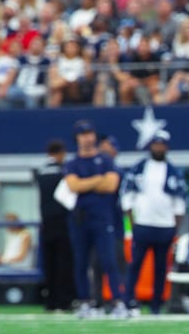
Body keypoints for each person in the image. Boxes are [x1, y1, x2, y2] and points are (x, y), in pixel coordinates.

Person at [63, 120, 127, 318]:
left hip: (103, 218)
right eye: (83, 134)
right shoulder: (72, 163)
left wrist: (86, 184)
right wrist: (98, 180)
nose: (87, 138)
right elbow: (72, 186)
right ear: (77, 138)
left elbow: (110, 186)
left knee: (109, 261)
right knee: (81, 262)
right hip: (80, 219)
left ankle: (117, 302)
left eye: (90, 133)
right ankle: (84, 302)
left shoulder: (106, 160)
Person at [121, 130, 187, 316]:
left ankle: (156, 304)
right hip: (143, 224)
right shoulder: (139, 168)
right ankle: (128, 300)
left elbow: (180, 202)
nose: (159, 147)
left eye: (162, 144)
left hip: (165, 226)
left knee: (160, 268)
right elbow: (128, 196)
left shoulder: (173, 171)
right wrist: (132, 222)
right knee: (135, 265)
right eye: (156, 144)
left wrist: (175, 226)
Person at [35, 139, 76, 311]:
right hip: (63, 222)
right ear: (60, 153)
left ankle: (49, 301)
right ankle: (64, 301)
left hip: (45, 223)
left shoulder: (40, 171)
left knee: (49, 263)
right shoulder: (64, 170)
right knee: (64, 263)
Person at [90, 134, 126, 314]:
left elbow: (112, 187)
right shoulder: (94, 169)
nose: (104, 150)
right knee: (96, 264)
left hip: (115, 226)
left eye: (108, 147)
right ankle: (96, 301)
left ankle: (120, 300)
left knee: (115, 264)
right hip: (96, 224)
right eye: (102, 147)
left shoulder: (119, 172)